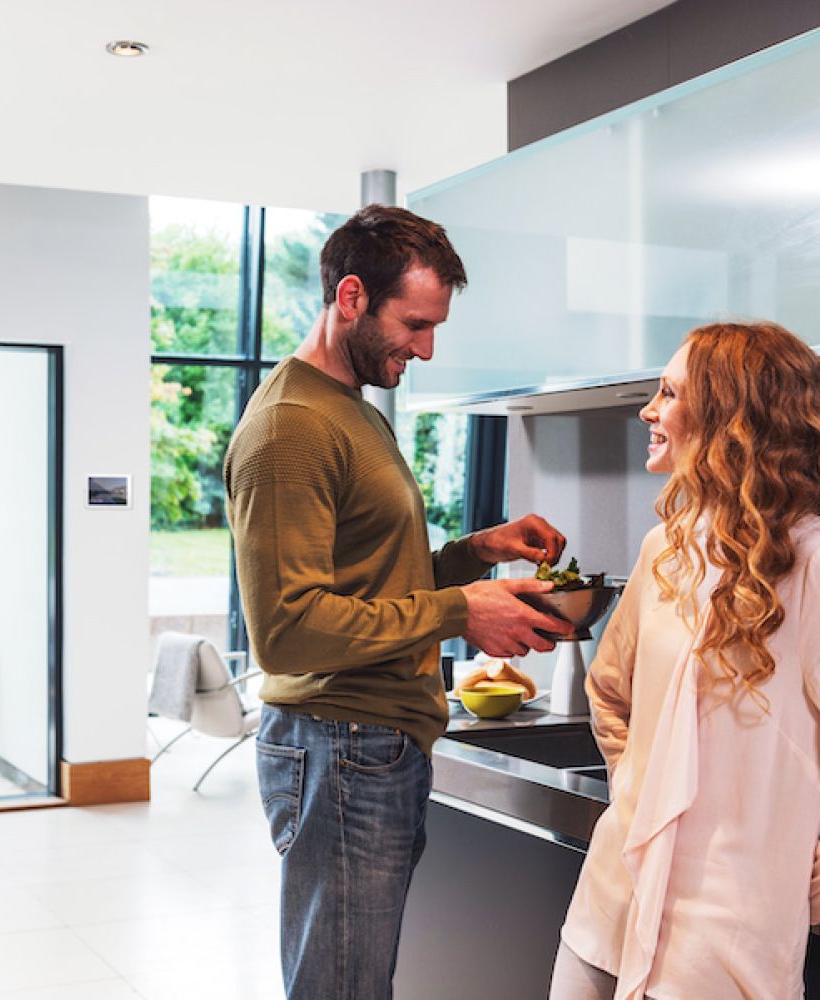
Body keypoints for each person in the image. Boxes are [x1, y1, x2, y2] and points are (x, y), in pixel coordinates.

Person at [223, 204, 572, 999]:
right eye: (413, 324)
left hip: (368, 744)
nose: (426, 346)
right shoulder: (291, 429)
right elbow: (288, 629)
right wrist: (462, 612)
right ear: (351, 297)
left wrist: (476, 553)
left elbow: (374, 580)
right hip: (339, 742)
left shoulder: (348, 411)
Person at [549, 321, 820, 1000]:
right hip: (604, 919)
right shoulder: (666, 550)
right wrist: (636, 795)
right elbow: (610, 689)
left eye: (669, 393)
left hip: (721, 955)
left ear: (728, 417)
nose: (649, 411)